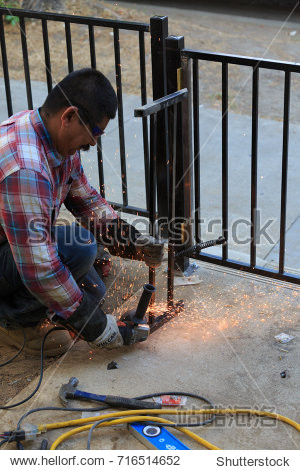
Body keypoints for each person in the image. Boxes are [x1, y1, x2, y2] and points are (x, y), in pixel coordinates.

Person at [0, 68, 164, 357]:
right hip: (12, 252)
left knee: (94, 291)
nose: (93, 143)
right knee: (79, 250)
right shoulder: (27, 167)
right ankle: (12, 323)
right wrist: (99, 329)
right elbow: (41, 269)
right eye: (95, 132)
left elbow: (86, 201)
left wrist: (132, 240)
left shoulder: (51, 138)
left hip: (13, 244)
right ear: (69, 116)